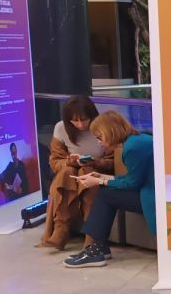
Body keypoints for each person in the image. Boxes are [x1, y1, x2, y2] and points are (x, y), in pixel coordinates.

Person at [63, 111, 155, 268]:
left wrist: (99, 181)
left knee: (105, 195)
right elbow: (133, 179)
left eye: (99, 137)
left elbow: (132, 184)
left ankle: (97, 249)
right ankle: (99, 247)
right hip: (151, 190)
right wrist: (102, 177)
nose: (99, 142)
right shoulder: (137, 140)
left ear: (110, 132)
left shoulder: (132, 148)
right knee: (106, 192)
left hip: (153, 196)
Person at [39, 95, 114, 250]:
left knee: (86, 171)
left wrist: (94, 162)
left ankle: (91, 234)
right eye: (75, 121)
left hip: (99, 172)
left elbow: (113, 160)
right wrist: (70, 161)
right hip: (71, 172)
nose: (80, 125)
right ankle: (61, 228)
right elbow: (55, 161)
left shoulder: (103, 126)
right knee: (67, 171)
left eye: (84, 119)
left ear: (92, 115)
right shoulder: (61, 128)